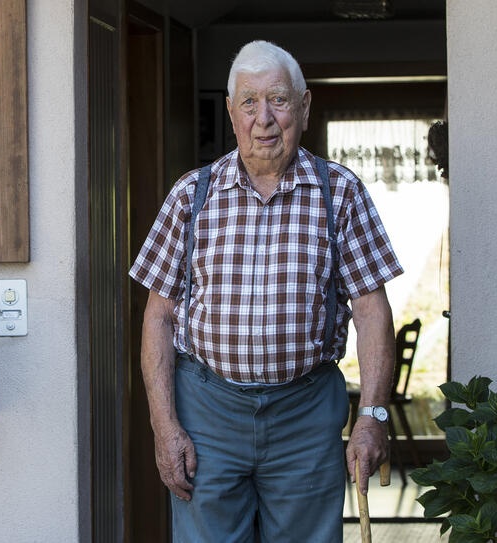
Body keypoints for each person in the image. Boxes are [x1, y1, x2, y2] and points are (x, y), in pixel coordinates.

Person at [128, 40, 403, 542]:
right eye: (249, 102)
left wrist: (372, 415)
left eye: (278, 99)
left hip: (305, 410)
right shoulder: (191, 195)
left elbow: (371, 312)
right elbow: (158, 319)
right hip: (206, 412)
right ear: (231, 113)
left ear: (304, 106)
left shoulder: (340, 193)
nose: (265, 118)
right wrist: (165, 427)